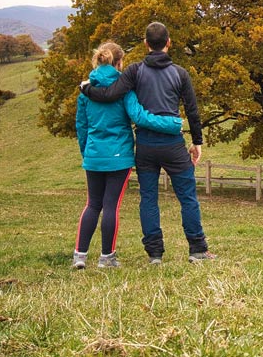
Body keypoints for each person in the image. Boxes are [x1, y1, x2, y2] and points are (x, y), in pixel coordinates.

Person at [80, 22, 214, 264]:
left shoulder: (134, 71)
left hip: (146, 146)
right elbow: (192, 111)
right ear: (168, 42)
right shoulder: (180, 73)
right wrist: (196, 141)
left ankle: (154, 254)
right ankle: (197, 250)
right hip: (173, 144)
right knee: (187, 197)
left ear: (145, 44)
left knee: (149, 198)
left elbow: (110, 95)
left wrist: (86, 89)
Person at [73, 41, 183, 269]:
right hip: (119, 155)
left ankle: (80, 256)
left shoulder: (85, 91)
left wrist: (88, 153)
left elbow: (81, 127)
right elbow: (139, 116)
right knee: (110, 205)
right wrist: (172, 124)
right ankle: (107, 257)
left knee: (92, 204)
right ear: (119, 62)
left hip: (94, 155)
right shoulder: (125, 90)